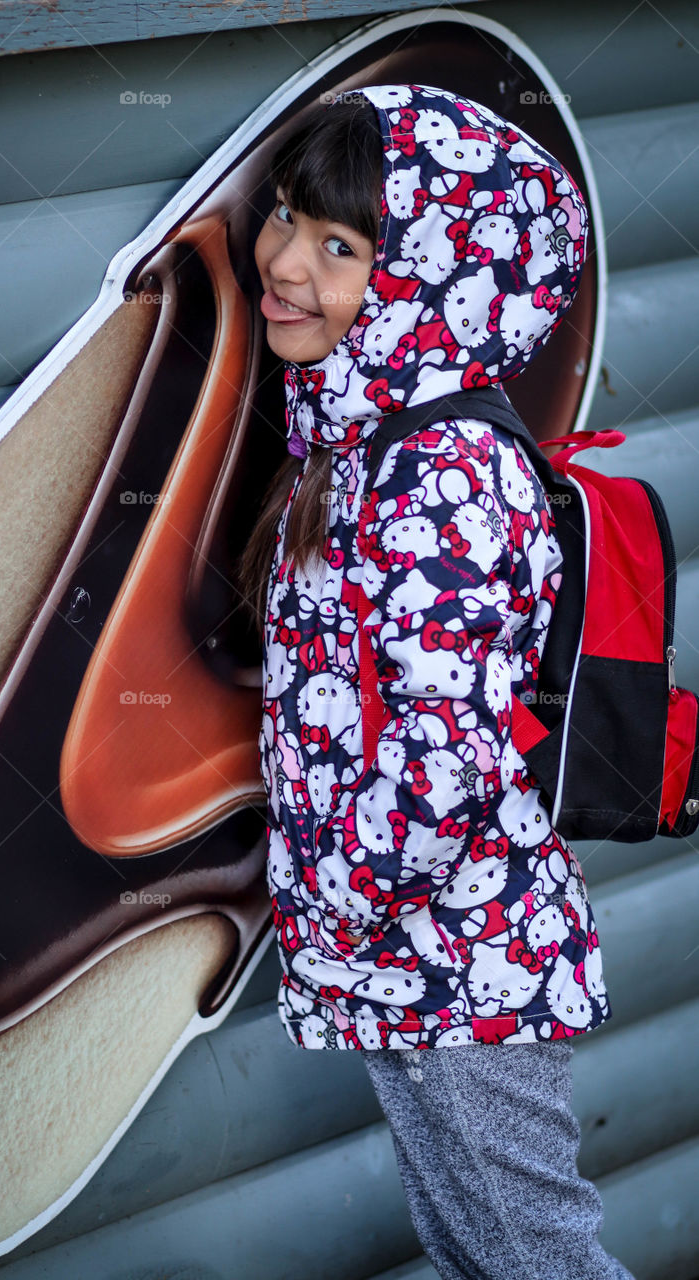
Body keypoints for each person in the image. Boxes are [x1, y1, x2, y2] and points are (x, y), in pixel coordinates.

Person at [237, 84, 636, 1280]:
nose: (287, 261)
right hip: (417, 959)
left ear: (433, 281)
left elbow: (445, 748)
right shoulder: (361, 442)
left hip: (458, 964)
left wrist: (343, 900)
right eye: (290, 216)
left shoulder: (440, 473)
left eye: (341, 245)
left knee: (533, 1256)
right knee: (471, 1248)